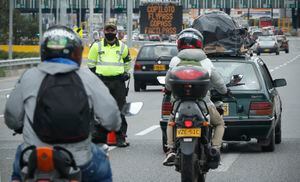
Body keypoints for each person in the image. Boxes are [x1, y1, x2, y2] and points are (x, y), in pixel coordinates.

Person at [5, 25, 121, 182]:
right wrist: (109, 127)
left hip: (35, 157)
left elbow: (11, 118)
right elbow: (111, 119)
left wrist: (20, 126)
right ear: (75, 53)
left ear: (44, 52)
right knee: (102, 167)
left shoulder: (29, 76)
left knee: (19, 167)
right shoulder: (87, 77)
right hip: (79, 160)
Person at [163, 28, 229, 166]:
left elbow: (168, 84)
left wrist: (169, 91)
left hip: (179, 103)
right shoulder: (206, 62)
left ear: (179, 44)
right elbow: (219, 84)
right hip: (203, 103)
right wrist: (225, 91)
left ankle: (171, 150)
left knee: (171, 122)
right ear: (200, 44)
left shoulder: (175, 60)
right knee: (219, 123)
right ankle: (215, 149)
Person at [87, 20, 132, 147]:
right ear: (103, 32)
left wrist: (126, 72)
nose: (110, 32)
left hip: (118, 82)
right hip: (102, 81)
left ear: (116, 32)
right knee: (99, 109)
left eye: (112, 30)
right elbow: (91, 64)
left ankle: (120, 138)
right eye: (108, 30)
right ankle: (98, 137)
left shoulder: (123, 47)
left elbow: (128, 61)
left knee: (120, 110)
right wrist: (96, 77)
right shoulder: (97, 46)